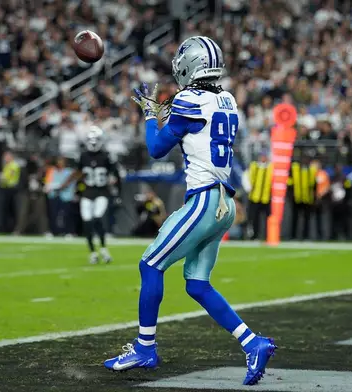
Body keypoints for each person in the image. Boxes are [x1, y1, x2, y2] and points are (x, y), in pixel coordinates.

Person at [103, 36, 276, 386]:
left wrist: (151, 115)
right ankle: (252, 342)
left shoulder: (187, 100)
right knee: (197, 284)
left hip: (204, 200)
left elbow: (155, 148)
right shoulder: (227, 100)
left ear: (189, 66)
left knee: (150, 264)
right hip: (225, 202)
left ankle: (145, 348)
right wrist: (169, 118)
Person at [59, 126, 120, 264]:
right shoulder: (83, 156)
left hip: (102, 192)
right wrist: (65, 185)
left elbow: (116, 175)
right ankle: (93, 252)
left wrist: (117, 191)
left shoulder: (106, 156)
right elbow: (78, 173)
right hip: (87, 193)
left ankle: (103, 248)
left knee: (97, 218)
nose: (93, 143)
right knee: (87, 222)